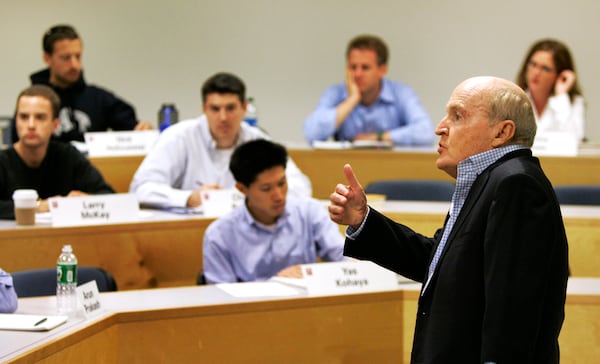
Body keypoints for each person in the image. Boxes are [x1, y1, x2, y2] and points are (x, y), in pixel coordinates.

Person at [329, 76, 569, 363]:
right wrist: (363, 220)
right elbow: (439, 263)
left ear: (502, 131)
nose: (440, 127)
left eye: (457, 116)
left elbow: (513, 312)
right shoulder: (492, 180)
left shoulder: (516, 185)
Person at [130, 72, 312, 208]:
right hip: (192, 229)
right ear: (204, 109)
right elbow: (141, 188)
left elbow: (301, 188)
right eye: (215, 109)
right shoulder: (179, 137)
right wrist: (188, 198)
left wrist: (255, 197)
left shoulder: (257, 139)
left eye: (231, 108)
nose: (223, 117)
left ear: (244, 107)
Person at [203, 139, 345, 283]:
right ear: (242, 189)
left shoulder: (309, 212)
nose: (278, 196)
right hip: (255, 304)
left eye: (282, 183)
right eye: (266, 189)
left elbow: (342, 256)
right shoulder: (219, 235)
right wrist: (275, 283)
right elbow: (221, 297)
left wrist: (314, 273)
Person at [11, 24, 152, 143]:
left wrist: (142, 130)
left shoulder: (98, 99)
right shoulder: (32, 102)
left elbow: (133, 130)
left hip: (90, 172)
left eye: (78, 56)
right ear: (47, 58)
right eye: (66, 58)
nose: (74, 65)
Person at [0, 85, 115, 219]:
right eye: (24, 117)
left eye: (40, 117)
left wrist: (85, 200)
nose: (31, 125)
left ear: (55, 125)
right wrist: (38, 207)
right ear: (16, 122)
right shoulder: (3, 161)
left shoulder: (68, 155)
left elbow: (109, 196)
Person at [303, 34, 434, 146]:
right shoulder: (335, 93)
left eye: (365, 67)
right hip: (346, 167)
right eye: (353, 67)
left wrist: (378, 137)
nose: (357, 74)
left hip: (390, 169)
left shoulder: (401, 93)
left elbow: (426, 132)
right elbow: (311, 134)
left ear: (382, 70)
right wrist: (352, 100)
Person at [516, 38, 585, 143]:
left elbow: (574, 140)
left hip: (559, 160)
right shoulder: (514, 99)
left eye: (545, 69)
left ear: (559, 74)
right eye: (533, 65)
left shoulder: (572, 101)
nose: (536, 73)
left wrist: (561, 96)